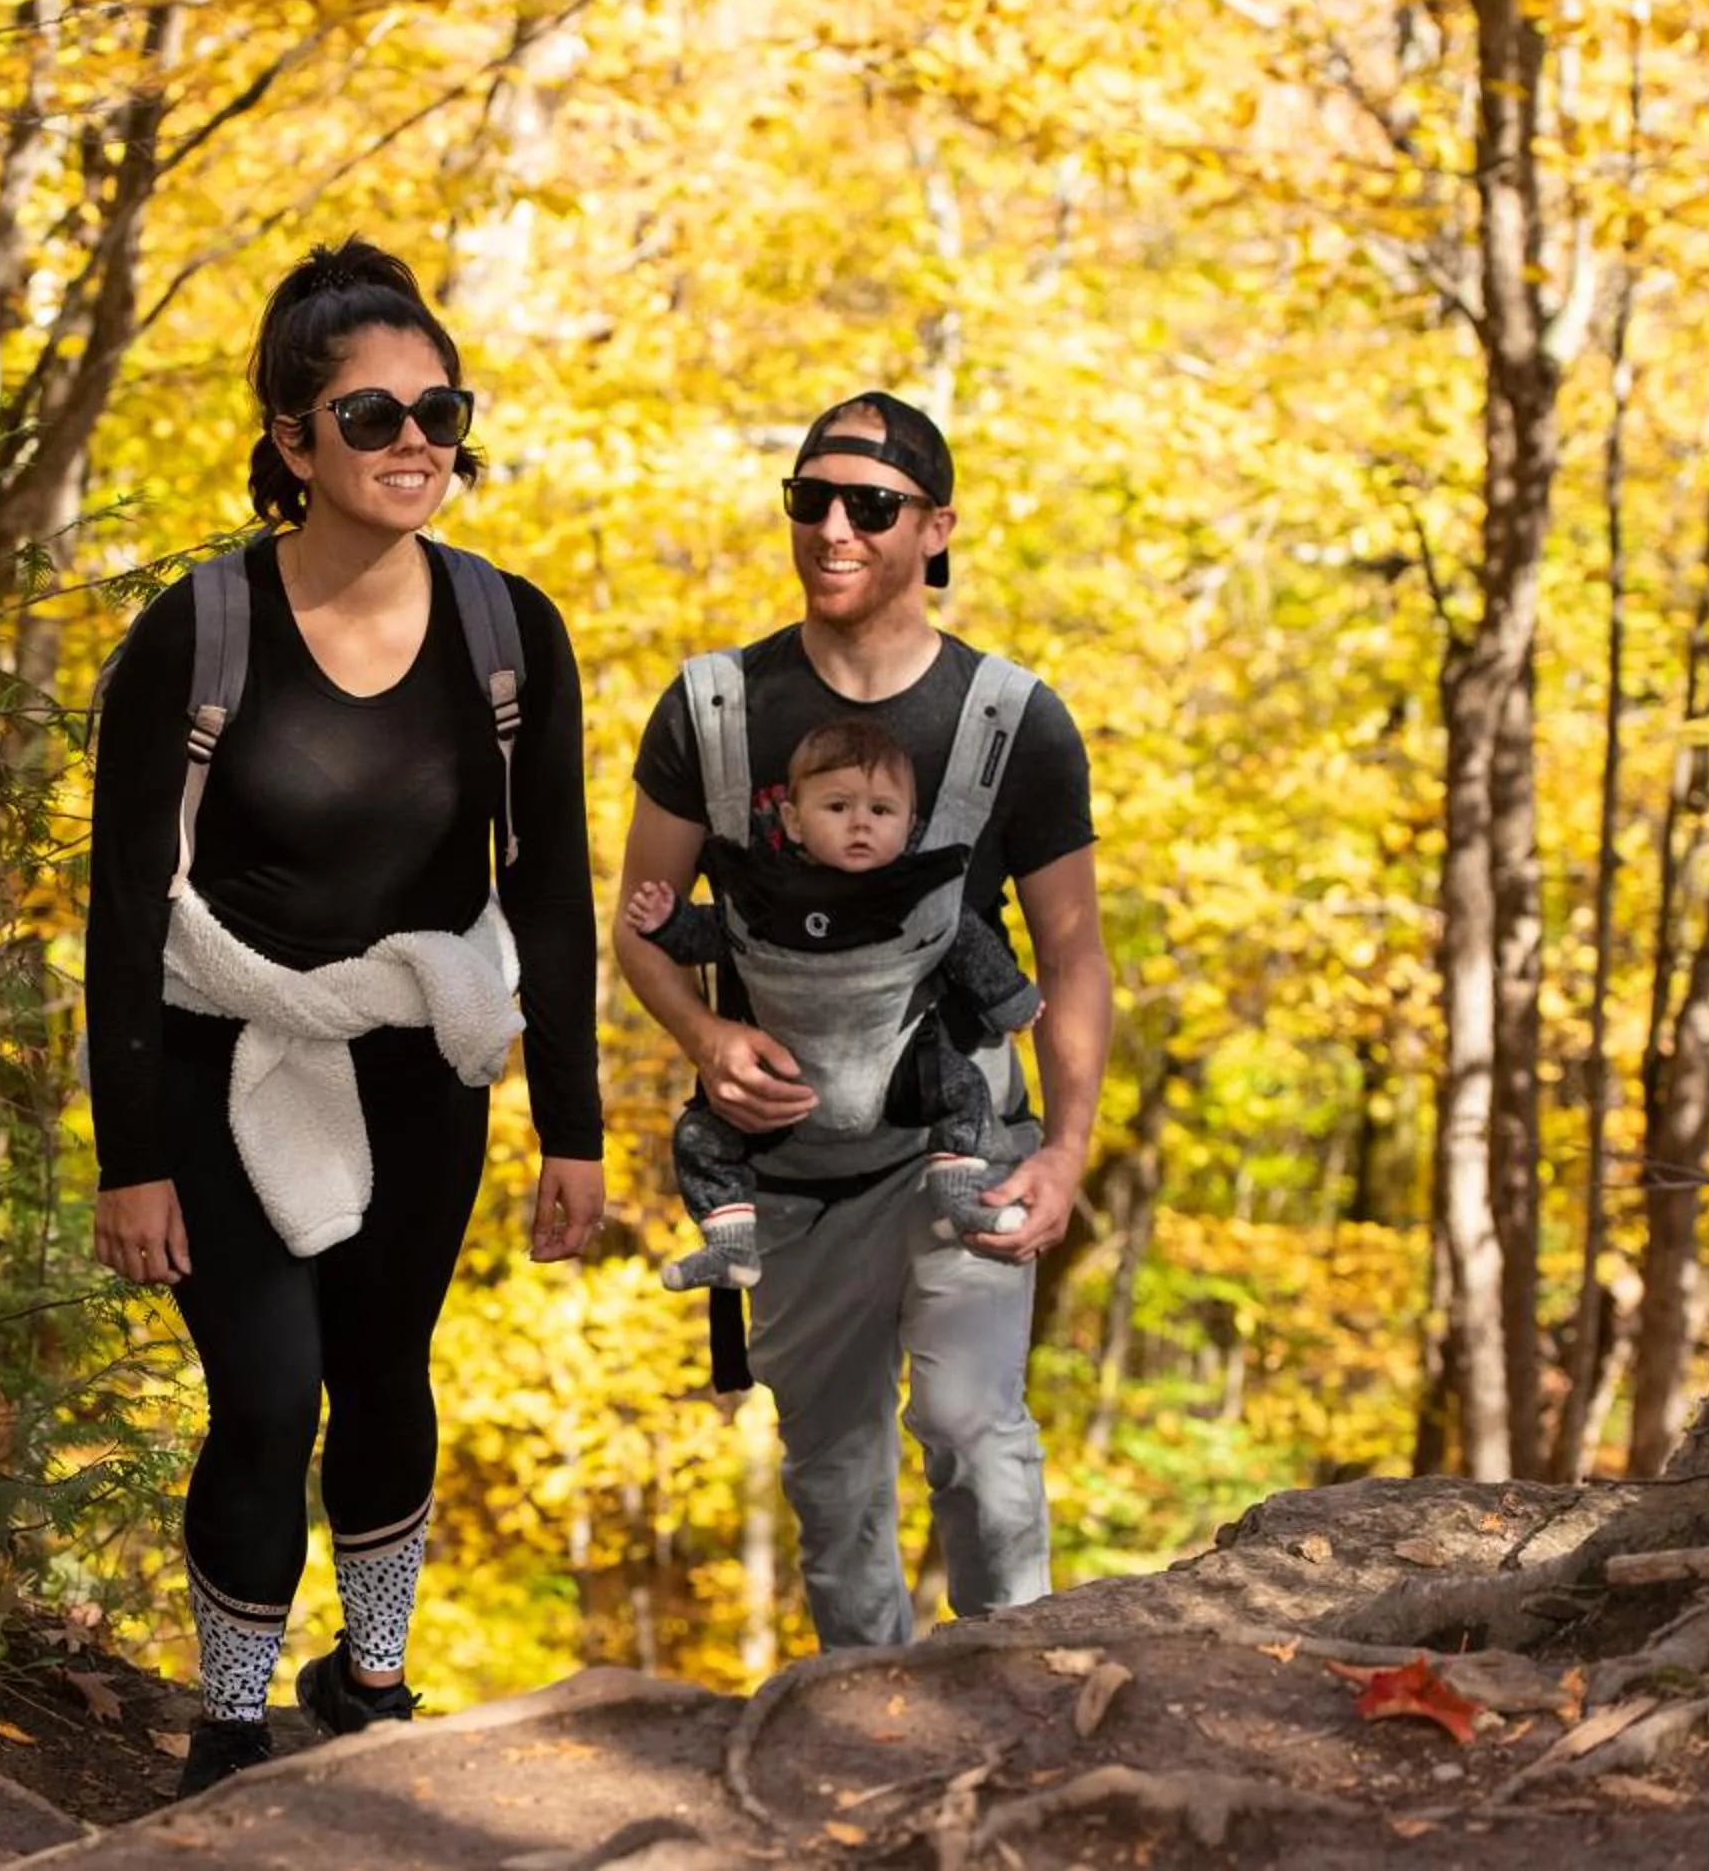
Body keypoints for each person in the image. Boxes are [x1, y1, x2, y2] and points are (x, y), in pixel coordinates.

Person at [84, 238, 605, 1797]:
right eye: (368, 417)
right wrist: (129, 1158)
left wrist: (573, 1127)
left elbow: (557, 892)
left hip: (421, 1060)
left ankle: (369, 1686)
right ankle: (231, 1722)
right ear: (291, 442)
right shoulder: (203, 629)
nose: (414, 444)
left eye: (436, 409)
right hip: (217, 1056)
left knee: (386, 1370)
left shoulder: (513, 631)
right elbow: (122, 909)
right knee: (267, 1392)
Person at [613, 391, 1108, 1650]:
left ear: (934, 527)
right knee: (833, 1482)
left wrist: (1067, 1151)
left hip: (964, 1142)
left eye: (870, 506)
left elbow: (1072, 950)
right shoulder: (714, 709)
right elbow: (638, 922)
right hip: (790, 1175)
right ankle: (868, 1749)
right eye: (809, 499)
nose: (832, 528)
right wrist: (706, 1040)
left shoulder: (1015, 720)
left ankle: (1022, 1688)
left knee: (966, 1423)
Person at [620, 712, 1042, 1295]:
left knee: (964, 1086)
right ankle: (730, 1244)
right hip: (784, 1084)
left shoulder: (924, 892)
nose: (860, 824)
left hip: (898, 1076)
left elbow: (966, 944)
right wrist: (669, 923)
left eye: (881, 811)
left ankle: (962, 1196)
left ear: (908, 823)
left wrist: (1012, 1001)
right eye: (838, 807)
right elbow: (717, 933)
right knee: (699, 1136)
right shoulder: (763, 891)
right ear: (793, 820)